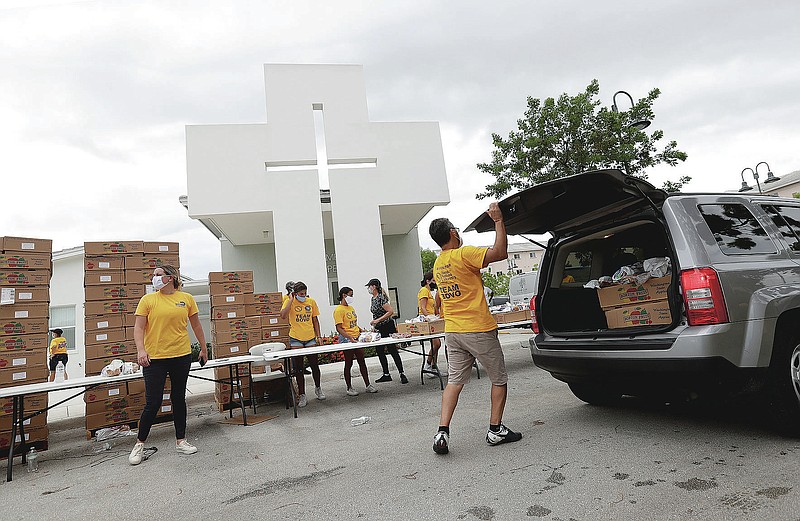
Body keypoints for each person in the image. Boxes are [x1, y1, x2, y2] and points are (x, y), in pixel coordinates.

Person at [428, 204, 522, 455]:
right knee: (499, 379)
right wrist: (499, 221)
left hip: (454, 332)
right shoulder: (463, 254)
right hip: (478, 328)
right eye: (455, 230)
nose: (459, 233)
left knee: (454, 381)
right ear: (451, 233)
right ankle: (495, 430)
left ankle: (442, 432)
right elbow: (500, 252)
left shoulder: (439, 264)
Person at [129, 265, 208, 465]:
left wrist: (204, 349)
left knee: (178, 398)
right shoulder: (148, 300)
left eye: (158, 275)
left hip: (180, 356)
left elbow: (196, 325)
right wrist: (141, 350)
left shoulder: (186, 299)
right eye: (153, 275)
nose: (153, 278)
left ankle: (181, 440)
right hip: (154, 358)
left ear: (170, 278)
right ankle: (140, 444)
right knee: (153, 402)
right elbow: (138, 328)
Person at [280, 281, 325, 407]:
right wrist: (290, 300)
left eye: (305, 293)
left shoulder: (311, 302)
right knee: (298, 368)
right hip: (296, 338)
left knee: (314, 365)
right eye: (301, 293)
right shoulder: (289, 301)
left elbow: (315, 320)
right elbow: (283, 315)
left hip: (310, 337)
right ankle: (302, 394)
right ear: (295, 293)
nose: (303, 295)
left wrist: (319, 336)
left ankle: (318, 388)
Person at [334, 286, 378, 396]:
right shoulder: (338, 310)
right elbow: (339, 327)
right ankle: (349, 387)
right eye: (350, 295)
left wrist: (361, 330)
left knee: (361, 360)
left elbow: (353, 323)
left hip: (356, 337)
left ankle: (368, 385)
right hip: (346, 339)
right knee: (349, 362)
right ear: (344, 295)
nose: (352, 297)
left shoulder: (350, 308)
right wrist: (349, 337)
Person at [366, 278, 408, 384]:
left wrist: (378, 320)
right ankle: (386, 374)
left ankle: (401, 373)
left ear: (374, 286)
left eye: (369, 286)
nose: (368, 288)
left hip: (387, 326)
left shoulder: (381, 297)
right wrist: (375, 324)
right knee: (379, 350)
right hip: (379, 327)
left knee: (392, 349)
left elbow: (390, 311)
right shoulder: (373, 298)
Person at [418, 272, 442, 376]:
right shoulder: (424, 290)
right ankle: (428, 364)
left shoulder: (429, 291)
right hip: (427, 320)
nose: (435, 282)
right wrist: (429, 318)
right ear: (428, 281)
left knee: (436, 343)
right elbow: (423, 307)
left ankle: (434, 366)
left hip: (432, 319)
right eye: (433, 280)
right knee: (437, 344)